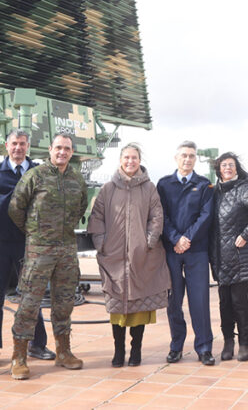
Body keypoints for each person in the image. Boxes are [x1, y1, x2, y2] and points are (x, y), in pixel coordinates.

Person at [7, 132, 88, 379]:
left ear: (71, 152)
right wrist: (34, 232)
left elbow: (81, 208)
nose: (62, 152)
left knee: (64, 303)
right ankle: (19, 357)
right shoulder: (35, 176)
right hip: (38, 251)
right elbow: (15, 208)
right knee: (29, 304)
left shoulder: (76, 180)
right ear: (50, 149)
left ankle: (63, 352)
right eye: (58, 148)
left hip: (66, 250)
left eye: (67, 149)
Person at [88, 143, 170, 367]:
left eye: (134, 158)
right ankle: (118, 350)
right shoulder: (107, 189)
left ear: (139, 160)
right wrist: (100, 242)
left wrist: (150, 241)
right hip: (113, 257)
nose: (130, 161)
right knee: (116, 307)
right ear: (120, 160)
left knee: (139, 307)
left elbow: (157, 215)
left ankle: (136, 350)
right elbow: (97, 217)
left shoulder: (149, 188)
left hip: (141, 256)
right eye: (126, 157)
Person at [0, 129, 53, 369]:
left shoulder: (39, 173)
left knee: (31, 294)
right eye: (14, 143)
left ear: (28, 146)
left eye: (22, 144)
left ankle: (37, 344)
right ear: (7, 145)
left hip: (28, 242)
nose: (18, 148)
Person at [157, 141, 216, 365]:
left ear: (195, 159)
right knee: (173, 301)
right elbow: (161, 215)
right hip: (171, 251)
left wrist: (187, 239)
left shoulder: (204, 185)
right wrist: (175, 238)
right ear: (176, 158)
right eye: (184, 155)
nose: (188, 159)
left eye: (192, 156)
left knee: (199, 301)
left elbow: (206, 216)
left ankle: (204, 347)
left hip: (196, 251)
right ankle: (176, 346)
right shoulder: (163, 184)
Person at [210, 152, 248, 362]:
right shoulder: (215, 193)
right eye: (224, 165)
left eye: (231, 165)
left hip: (239, 256)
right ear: (218, 169)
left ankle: (245, 343)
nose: (227, 168)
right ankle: (228, 342)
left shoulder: (243, 189)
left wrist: (245, 234)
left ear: (236, 168)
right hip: (219, 257)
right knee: (224, 303)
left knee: (239, 302)